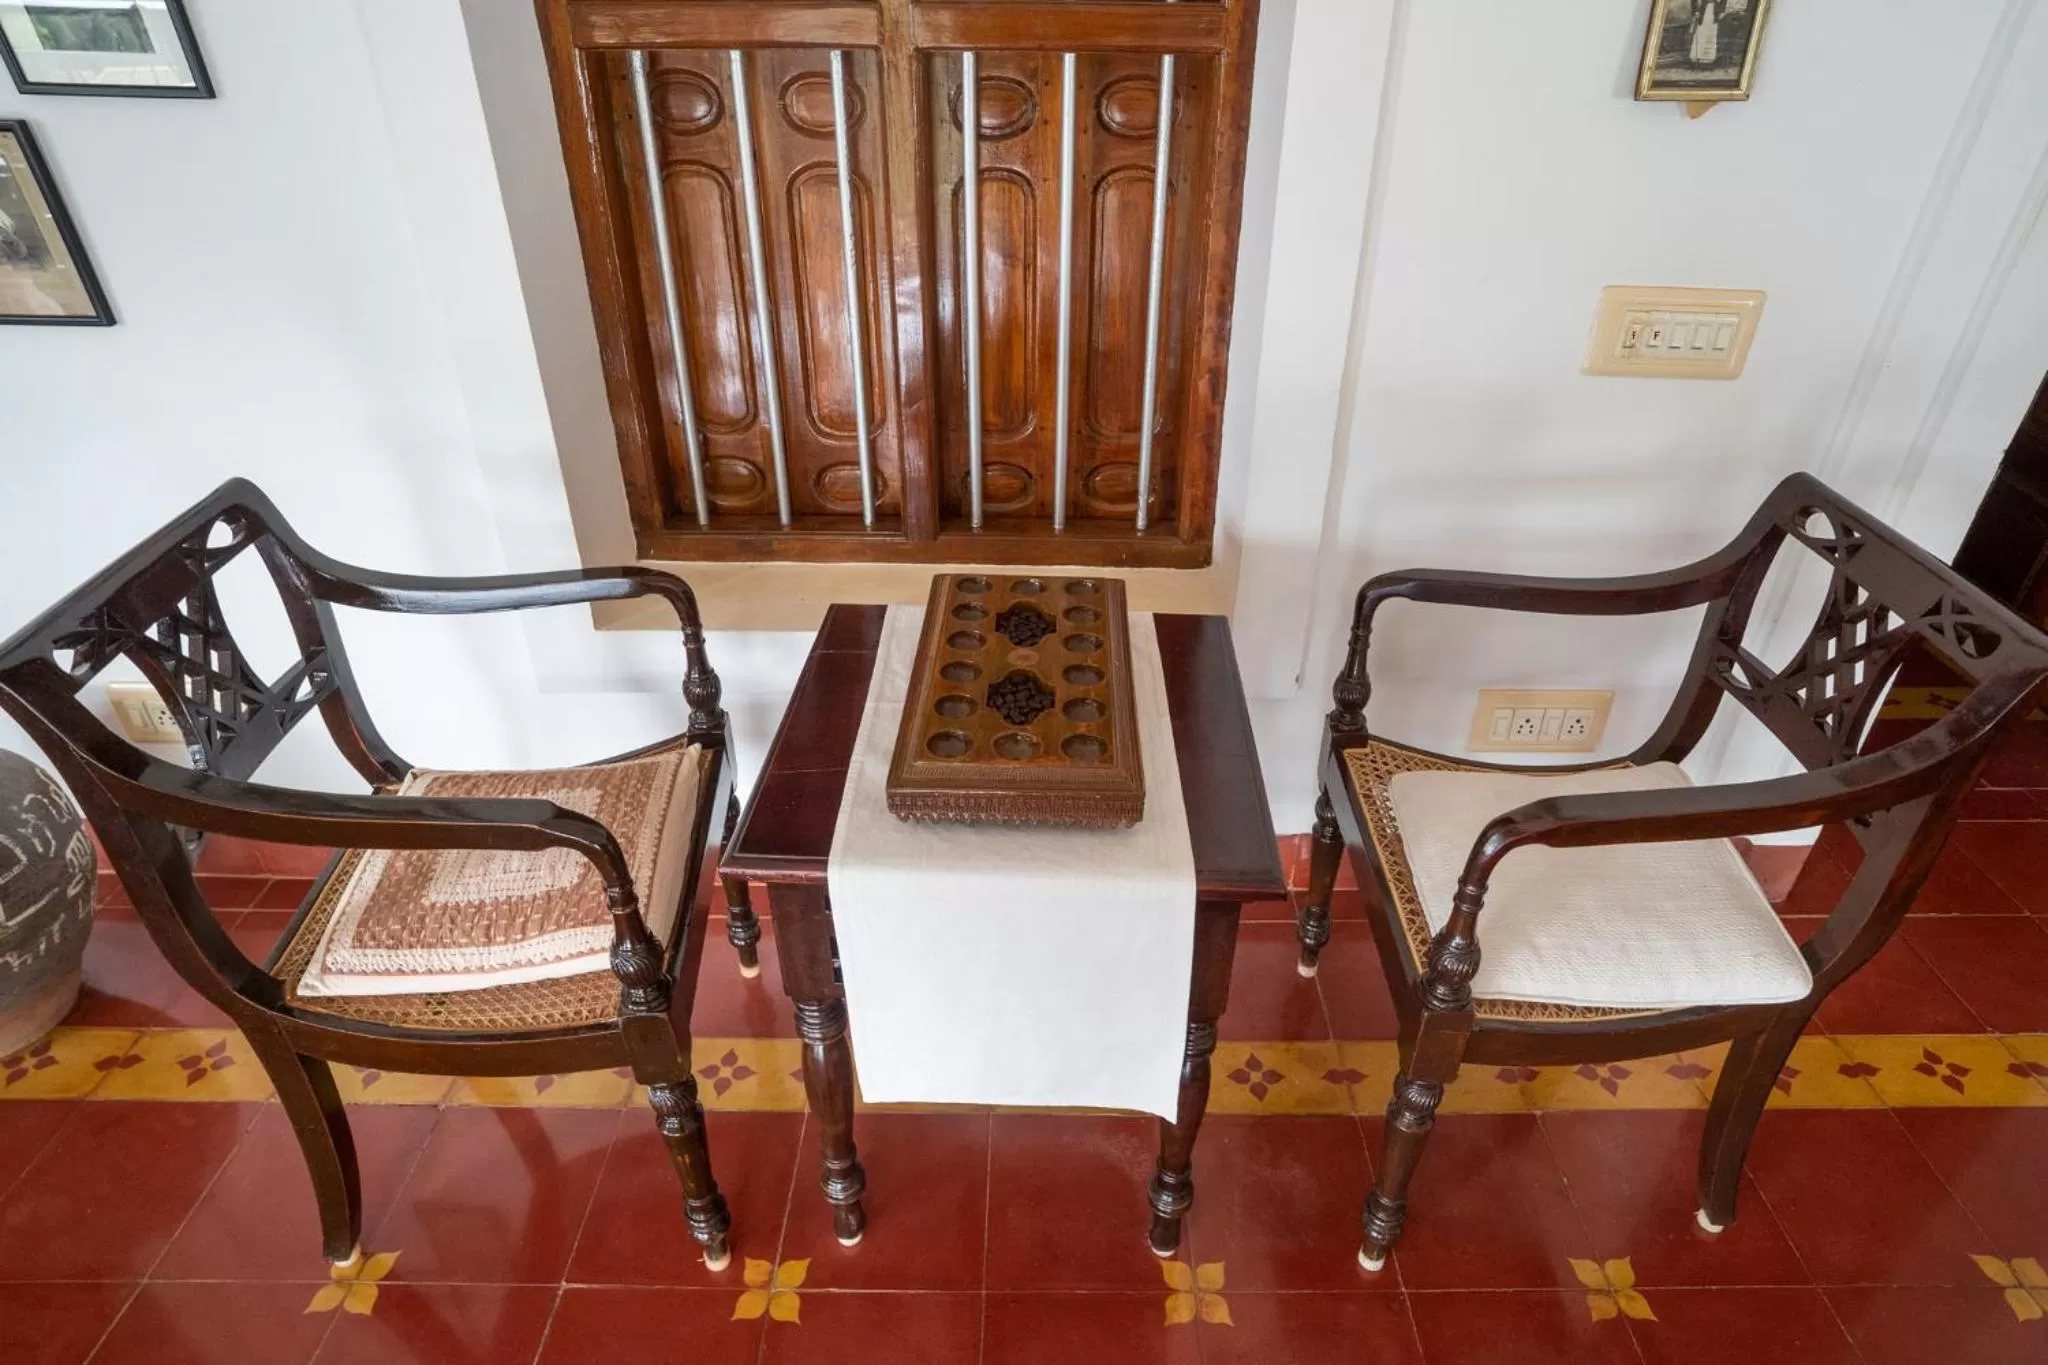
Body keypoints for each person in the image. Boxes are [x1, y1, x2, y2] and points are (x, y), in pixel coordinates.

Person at [1690, 0, 1721, 66]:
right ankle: (1697, 56)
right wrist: (1695, 10)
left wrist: (1722, 10)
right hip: (1702, 10)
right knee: (1700, 32)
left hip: (1714, 10)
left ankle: (1708, 58)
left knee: (1711, 33)